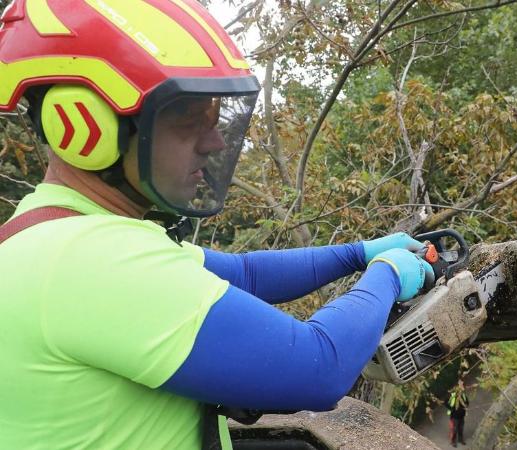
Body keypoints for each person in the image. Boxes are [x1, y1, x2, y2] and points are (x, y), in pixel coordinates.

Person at [0, 1, 433, 449]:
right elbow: (319, 366)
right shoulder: (88, 260)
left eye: (214, 119)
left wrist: (357, 253)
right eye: (189, 120)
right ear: (83, 126)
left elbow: (245, 273)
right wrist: (386, 273)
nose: (216, 142)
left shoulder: (57, 234)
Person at [446, 379, 470, 447]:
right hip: (454, 416)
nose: (462, 386)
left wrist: (466, 406)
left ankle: (460, 440)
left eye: (462, 385)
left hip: (462, 416)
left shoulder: (463, 394)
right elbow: (445, 403)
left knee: (461, 428)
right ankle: (453, 441)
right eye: (461, 385)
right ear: (457, 386)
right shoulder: (452, 395)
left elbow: (467, 402)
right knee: (454, 429)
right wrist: (452, 409)